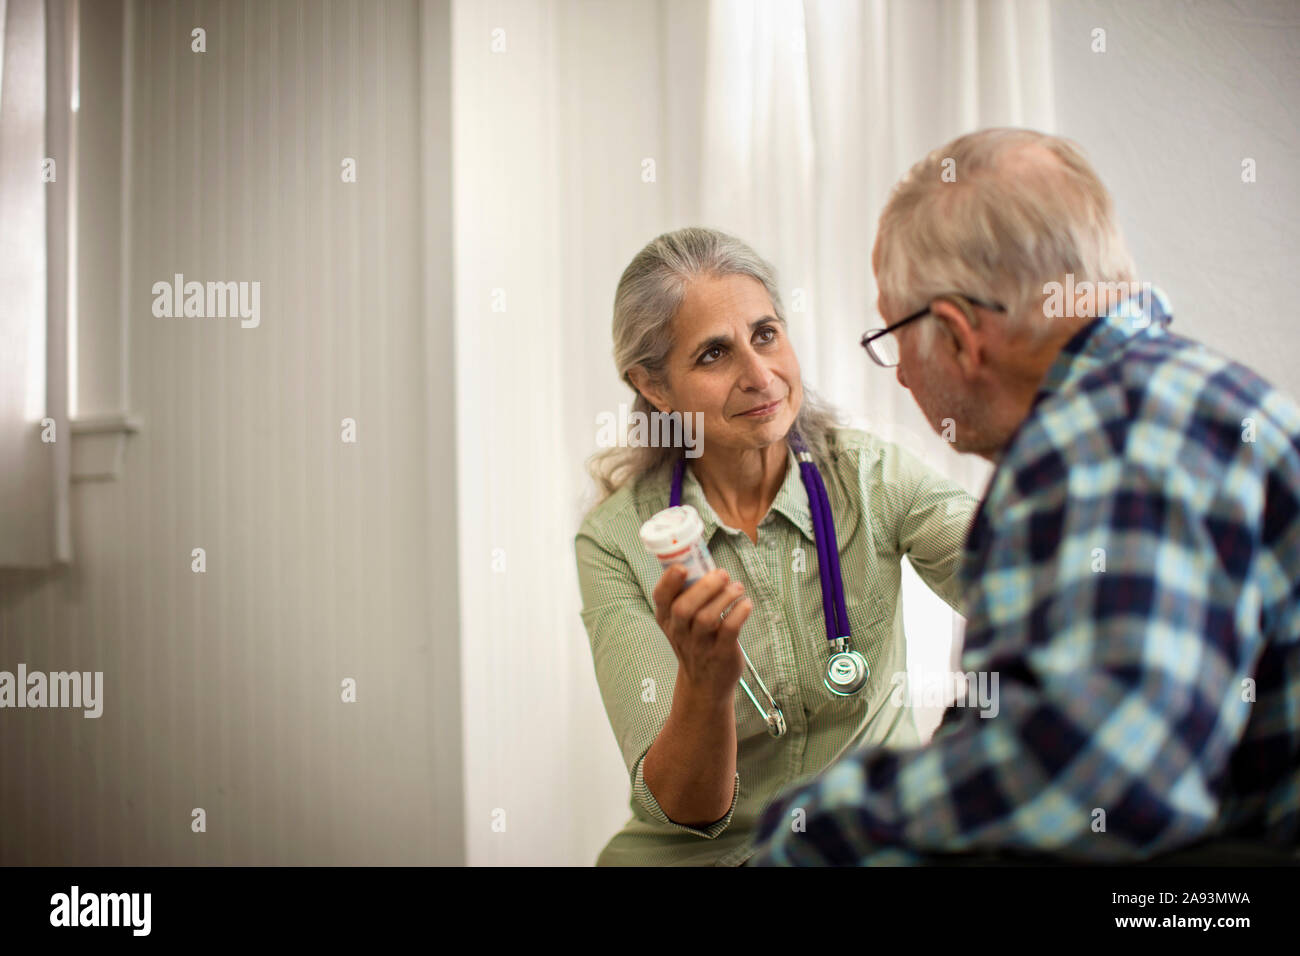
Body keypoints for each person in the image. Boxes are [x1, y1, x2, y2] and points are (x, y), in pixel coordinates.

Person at [748, 128, 1300, 865]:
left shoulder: (1110, 440)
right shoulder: (1189, 400)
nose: (902, 374)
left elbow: (1098, 782)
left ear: (956, 335)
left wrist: (816, 832)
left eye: (894, 336)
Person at [575, 227, 979, 865]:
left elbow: (1022, 576)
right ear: (654, 387)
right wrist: (705, 686)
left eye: (766, 335)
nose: (760, 376)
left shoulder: (871, 478)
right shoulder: (620, 541)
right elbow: (685, 808)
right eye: (713, 355)